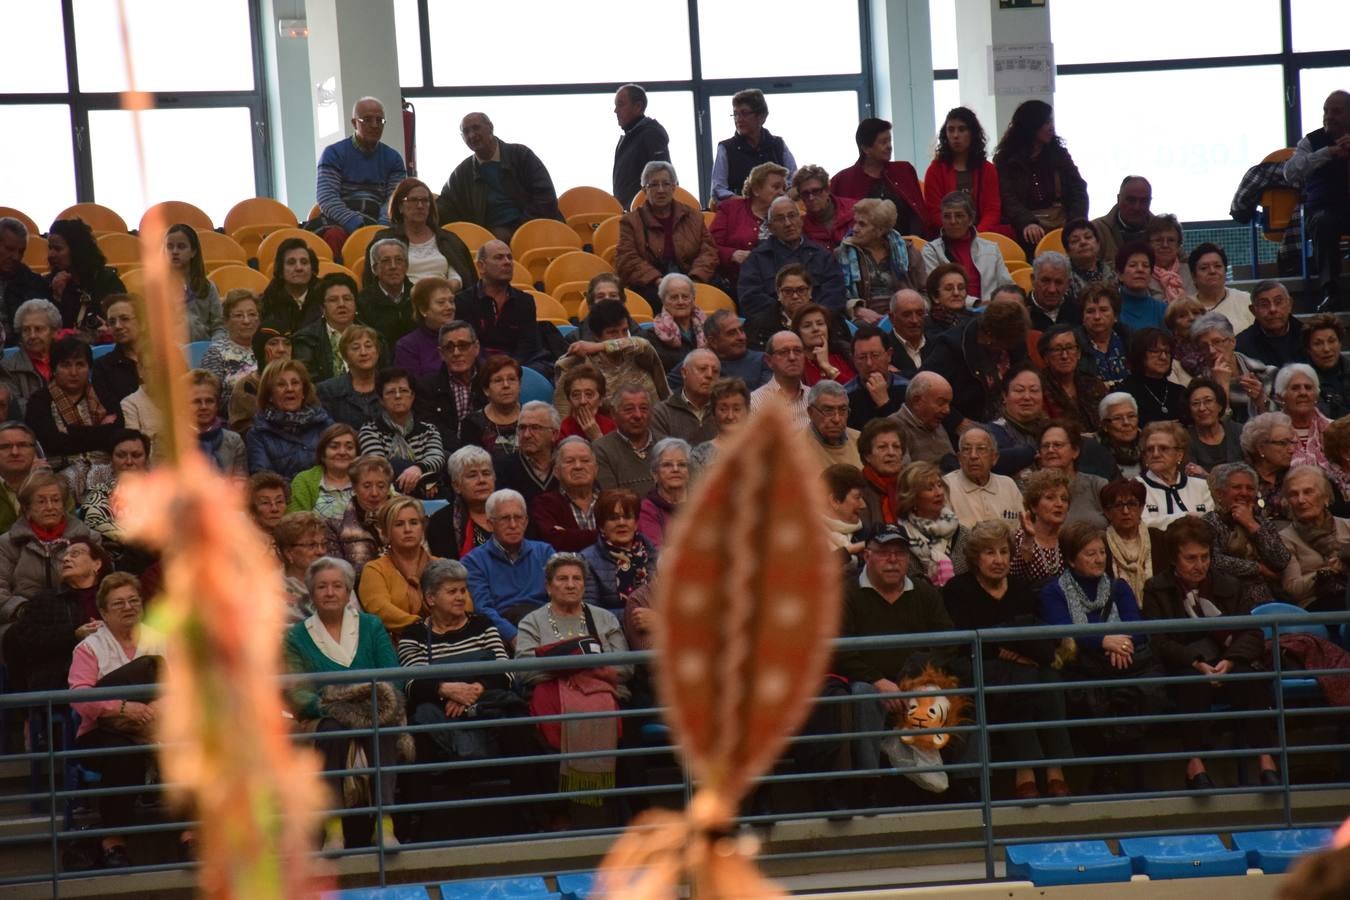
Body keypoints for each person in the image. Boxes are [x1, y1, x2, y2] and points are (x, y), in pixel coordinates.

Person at [1144, 516, 1279, 789]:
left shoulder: (1229, 584)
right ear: (1174, 559)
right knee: (1190, 684)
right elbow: (1158, 641)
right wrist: (1196, 663)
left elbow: (1251, 633)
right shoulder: (1156, 589)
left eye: (1205, 557)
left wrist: (1230, 660)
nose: (1200, 565)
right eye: (1191, 558)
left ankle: (1266, 761)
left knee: (1251, 678)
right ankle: (1195, 765)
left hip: (1228, 659)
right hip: (1187, 663)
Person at [943, 520, 1072, 800]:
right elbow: (964, 642)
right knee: (1018, 680)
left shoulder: (1019, 586)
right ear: (975, 557)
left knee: (1050, 680)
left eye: (1003, 552)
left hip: (1027, 663)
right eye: (990, 553)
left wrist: (1004, 644)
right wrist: (1003, 649)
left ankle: (1055, 769)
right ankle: (1024, 769)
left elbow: (1030, 633)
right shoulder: (958, 589)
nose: (999, 560)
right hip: (980, 667)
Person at [282, 555, 403, 852]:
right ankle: (334, 831)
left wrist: (371, 705)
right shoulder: (295, 636)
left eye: (338, 586)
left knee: (384, 729)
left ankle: (384, 826)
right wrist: (332, 707)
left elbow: (393, 676)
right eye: (322, 587)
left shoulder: (372, 626)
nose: (330, 592)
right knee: (332, 731)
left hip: (374, 708)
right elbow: (297, 692)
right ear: (311, 593)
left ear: (349, 592)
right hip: (324, 714)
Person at [1039, 521, 1161, 792]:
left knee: (1133, 692)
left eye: (1102, 553)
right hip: (1082, 668)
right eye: (1090, 554)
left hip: (1124, 665)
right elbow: (1063, 631)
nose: (1099, 559)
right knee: (1099, 695)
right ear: (1071, 559)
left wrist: (1121, 645)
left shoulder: (1118, 587)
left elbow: (1136, 628)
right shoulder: (1053, 591)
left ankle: (1121, 771)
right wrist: (1105, 640)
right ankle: (1108, 770)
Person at [834, 524, 955, 784]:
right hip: (868, 680)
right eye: (884, 552)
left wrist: (917, 679)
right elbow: (839, 650)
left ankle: (960, 778)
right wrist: (878, 681)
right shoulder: (846, 594)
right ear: (867, 555)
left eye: (899, 553)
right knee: (863, 695)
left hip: (916, 679)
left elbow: (949, 641)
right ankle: (869, 781)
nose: (892, 560)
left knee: (944, 689)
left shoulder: (924, 592)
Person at [514, 552, 631, 810]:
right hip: (552, 702)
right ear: (548, 586)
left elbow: (625, 667)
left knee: (631, 727)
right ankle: (560, 813)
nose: (570, 584)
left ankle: (620, 812)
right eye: (562, 578)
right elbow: (524, 669)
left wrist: (571, 668)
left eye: (577, 578)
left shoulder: (604, 619)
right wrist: (578, 667)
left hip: (605, 698)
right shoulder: (531, 622)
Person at [67, 573, 168, 868]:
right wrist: (123, 708)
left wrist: (161, 706)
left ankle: (190, 836)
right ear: (104, 612)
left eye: (134, 600)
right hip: (103, 729)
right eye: (119, 603)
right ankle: (114, 843)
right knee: (123, 757)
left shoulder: (160, 640)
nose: (128, 607)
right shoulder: (89, 648)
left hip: (159, 725)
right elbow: (80, 697)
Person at [0, 471, 100, 653]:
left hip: (77, 616)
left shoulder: (89, 539)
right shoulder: (7, 543)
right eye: (41, 501)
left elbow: (103, 582)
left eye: (55, 500)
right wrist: (24, 610)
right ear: (27, 508)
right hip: (24, 622)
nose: (50, 506)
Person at [1, 535, 111, 694]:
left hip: (110, 669)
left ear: (97, 563)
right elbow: (25, 640)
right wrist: (74, 634)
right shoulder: (45, 600)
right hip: (62, 680)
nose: (66, 559)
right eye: (65, 556)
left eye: (75, 554)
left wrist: (110, 628)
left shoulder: (115, 596)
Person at [436, 112, 561, 240]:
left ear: (490, 127)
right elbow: (446, 206)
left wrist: (521, 229)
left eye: (476, 128)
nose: (472, 135)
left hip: (535, 228)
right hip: (490, 236)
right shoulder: (461, 173)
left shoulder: (521, 155)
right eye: (466, 132)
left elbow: (546, 197)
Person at [24, 335, 123, 493]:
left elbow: (116, 436)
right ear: (54, 369)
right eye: (66, 365)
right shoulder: (39, 401)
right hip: (60, 473)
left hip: (107, 470)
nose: (74, 372)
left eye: (80, 365)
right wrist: (100, 432)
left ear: (89, 368)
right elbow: (53, 443)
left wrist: (70, 431)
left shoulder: (103, 395)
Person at [992, 100, 1088, 254]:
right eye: (1046, 122)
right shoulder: (1006, 160)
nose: (1051, 127)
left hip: (1062, 221)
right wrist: (1027, 222)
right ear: (1031, 126)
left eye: (1051, 121)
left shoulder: (1059, 155)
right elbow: (1008, 198)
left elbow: (1079, 189)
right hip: (1026, 228)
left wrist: (1075, 223)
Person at [1284, 90, 1350, 310]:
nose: (1329, 116)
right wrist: (1327, 153)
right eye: (1326, 110)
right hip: (1323, 210)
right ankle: (1330, 292)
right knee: (1323, 222)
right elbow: (1290, 172)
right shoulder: (1311, 141)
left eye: (1336, 111)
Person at [617, 162, 718, 303]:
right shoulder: (630, 221)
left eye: (666, 184)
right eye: (654, 185)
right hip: (651, 284)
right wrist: (657, 280)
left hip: (693, 279)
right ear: (644, 190)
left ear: (674, 187)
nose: (661, 190)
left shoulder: (694, 216)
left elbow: (708, 252)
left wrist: (695, 279)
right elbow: (627, 259)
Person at [922, 297, 1029, 429]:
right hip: (966, 422)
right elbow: (927, 390)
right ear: (990, 336)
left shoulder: (1015, 338)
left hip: (1011, 420)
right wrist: (957, 422)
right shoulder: (952, 346)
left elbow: (1025, 373)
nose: (1008, 348)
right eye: (1004, 343)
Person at [459, 488, 551, 641]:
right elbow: (483, 609)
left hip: (547, 624)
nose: (513, 525)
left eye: (518, 517)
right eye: (505, 518)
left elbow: (559, 596)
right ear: (490, 524)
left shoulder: (545, 552)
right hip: (503, 631)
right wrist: (513, 636)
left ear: (526, 521)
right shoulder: (473, 561)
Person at [556, 302, 670, 421]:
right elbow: (563, 414)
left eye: (625, 331)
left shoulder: (636, 351)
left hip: (659, 425)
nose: (621, 337)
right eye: (613, 332)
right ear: (596, 335)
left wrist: (598, 347)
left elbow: (643, 344)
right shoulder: (582, 364)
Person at [736, 196, 847, 317]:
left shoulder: (823, 256)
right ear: (770, 228)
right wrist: (786, 315)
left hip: (818, 324)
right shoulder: (756, 259)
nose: (788, 223)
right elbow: (750, 298)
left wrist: (809, 317)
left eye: (792, 216)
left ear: (801, 220)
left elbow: (835, 294)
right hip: (774, 327)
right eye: (780, 219)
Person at [315, 96, 406, 241]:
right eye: (367, 120)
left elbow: (393, 200)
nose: (375, 125)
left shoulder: (394, 159)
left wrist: (380, 228)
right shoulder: (333, 154)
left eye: (380, 120)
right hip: (341, 221)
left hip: (379, 220)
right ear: (354, 123)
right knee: (334, 236)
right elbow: (327, 198)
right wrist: (356, 224)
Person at [1202, 461, 1290, 607]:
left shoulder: (1261, 522)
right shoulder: (1209, 522)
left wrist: (1252, 525)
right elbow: (1214, 561)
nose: (1244, 492)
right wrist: (1258, 568)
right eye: (1237, 487)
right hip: (1229, 599)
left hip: (1270, 597)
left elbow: (1281, 560)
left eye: (1250, 488)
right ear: (1219, 493)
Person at [830, 117, 932, 237]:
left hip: (908, 244)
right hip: (862, 248)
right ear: (866, 149)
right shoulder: (842, 180)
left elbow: (919, 216)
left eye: (890, 141)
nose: (889, 146)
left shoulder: (905, 171)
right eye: (883, 142)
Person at [373, 177, 474, 290]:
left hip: (445, 299)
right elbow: (376, 283)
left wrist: (452, 284)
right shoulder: (385, 240)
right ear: (400, 206)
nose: (420, 206)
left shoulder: (447, 239)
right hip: (401, 303)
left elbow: (459, 273)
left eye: (425, 200)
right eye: (413, 200)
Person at [358, 367, 446, 497]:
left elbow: (437, 457)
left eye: (404, 391)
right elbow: (377, 466)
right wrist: (425, 479)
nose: (398, 396)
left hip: (427, 497)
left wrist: (418, 469)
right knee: (396, 464)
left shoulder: (428, 430)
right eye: (391, 392)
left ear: (412, 396)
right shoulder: (370, 431)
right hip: (386, 495)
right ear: (381, 400)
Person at [837, 199, 927, 324]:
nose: (854, 229)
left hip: (906, 316)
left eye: (862, 224)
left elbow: (925, 292)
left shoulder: (908, 252)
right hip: (865, 319)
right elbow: (836, 294)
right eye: (855, 222)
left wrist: (911, 310)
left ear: (879, 230)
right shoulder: (842, 254)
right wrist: (857, 309)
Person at [453, 241, 543, 364]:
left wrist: (511, 367)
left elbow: (528, 346)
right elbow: (466, 344)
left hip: (517, 367)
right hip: (477, 367)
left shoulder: (525, 301)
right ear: (481, 266)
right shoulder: (462, 301)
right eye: (498, 257)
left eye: (509, 257)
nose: (507, 262)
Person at [358, 496, 436, 635]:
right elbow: (380, 610)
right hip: (396, 644)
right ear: (386, 531)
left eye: (414, 522)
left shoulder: (441, 565)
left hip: (447, 640)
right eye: (399, 524)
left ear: (423, 527)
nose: (407, 529)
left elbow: (464, 603)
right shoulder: (374, 569)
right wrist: (424, 626)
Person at [245, 359, 333, 480]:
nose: (290, 389)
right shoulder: (258, 435)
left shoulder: (324, 424)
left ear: (303, 392)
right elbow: (264, 479)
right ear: (270, 395)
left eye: (295, 383)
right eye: (281, 384)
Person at [80, 429, 153, 571]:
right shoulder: (100, 493)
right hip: (118, 566)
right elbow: (94, 521)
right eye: (121, 455)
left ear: (146, 459)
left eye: (136, 455)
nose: (129, 461)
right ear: (111, 460)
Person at [919, 193, 1012, 304]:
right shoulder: (931, 251)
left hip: (992, 311)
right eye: (947, 216)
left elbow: (1007, 285)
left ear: (970, 219)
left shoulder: (991, 248)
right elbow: (935, 290)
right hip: (953, 312)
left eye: (959, 216)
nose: (953, 221)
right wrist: (977, 304)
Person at [923, 106, 1004, 233]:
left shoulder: (987, 169)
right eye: (951, 130)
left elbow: (992, 210)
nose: (955, 135)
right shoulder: (935, 170)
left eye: (961, 129)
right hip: (946, 235)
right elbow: (934, 211)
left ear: (972, 133)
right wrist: (957, 232)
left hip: (981, 235)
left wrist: (977, 235)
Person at [1279, 465, 1350, 610]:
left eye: (1308, 492)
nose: (1301, 500)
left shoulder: (1347, 527)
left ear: (1325, 497)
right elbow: (1292, 590)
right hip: (1316, 606)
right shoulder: (1285, 538)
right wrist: (1325, 572)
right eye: (1293, 494)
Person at [744, 261, 850, 353]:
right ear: (778, 293)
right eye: (788, 291)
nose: (795, 296)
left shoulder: (833, 320)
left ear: (810, 291)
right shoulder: (758, 325)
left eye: (801, 290)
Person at [710, 88, 796, 200]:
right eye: (735, 114)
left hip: (777, 210)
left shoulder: (778, 145)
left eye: (744, 113)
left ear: (762, 116)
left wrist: (779, 197)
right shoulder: (726, 148)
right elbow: (718, 190)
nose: (738, 119)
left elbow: (794, 181)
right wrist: (746, 203)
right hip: (741, 210)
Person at [43, 218, 124, 335]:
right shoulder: (48, 283)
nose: (50, 255)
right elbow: (47, 331)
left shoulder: (106, 281)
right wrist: (57, 297)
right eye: (50, 248)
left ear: (77, 250)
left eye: (58, 249)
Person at [416, 319, 485, 451]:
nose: (456, 353)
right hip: (445, 454)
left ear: (476, 348)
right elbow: (430, 430)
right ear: (441, 353)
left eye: (463, 345)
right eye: (449, 347)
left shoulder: (491, 381)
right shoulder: (426, 388)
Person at [1190, 312, 1271, 424]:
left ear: (1232, 341)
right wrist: (1222, 387)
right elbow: (1215, 427)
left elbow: (1280, 421)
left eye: (1217, 342)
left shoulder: (1264, 372)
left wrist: (1261, 399)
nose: (1211, 351)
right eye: (1204, 346)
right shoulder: (1199, 385)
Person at [896, 462, 964, 587]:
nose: (939, 493)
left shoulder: (963, 534)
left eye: (939, 485)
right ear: (912, 497)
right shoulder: (899, 537)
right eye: (929, 488)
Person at [1137, 420, 1214, 527]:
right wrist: (1184, 517)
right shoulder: (1135, 486)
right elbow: (1141, 524)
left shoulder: (1200, 486)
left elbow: (1211, 524)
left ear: (1179, 455)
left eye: (1163, 448)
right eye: (1150, 449)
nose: (1155, 454)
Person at [1100, 478, 1165, 605]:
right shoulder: (1101, 543)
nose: (1126, 511)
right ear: (1107, 512)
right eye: (1118, 505)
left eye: (1132, 504)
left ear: (1141, 508)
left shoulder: (1159, 539)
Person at [531, 436, 602, 552]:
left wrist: (567, 535)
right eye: (569, 461)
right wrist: (604, 535)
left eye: (585, 460)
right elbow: (555, 543)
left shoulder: (612, 502)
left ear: (596, 469)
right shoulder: (544, 504)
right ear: (556, 471)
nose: (578, 466)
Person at [944, 426, 1023, 529]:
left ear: (994, 458)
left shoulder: (1008, 485)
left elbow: (1022, 529)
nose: (973, 456)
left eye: (981, 449)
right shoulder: (946, 486)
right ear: (959, 458)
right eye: (966, 449)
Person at [327, 454, 392, 579]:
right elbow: (337, 574)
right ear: (354, 488)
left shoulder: (404, 515)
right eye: (367, 486)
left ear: (389, 487)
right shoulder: (335, 523)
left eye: (381, 486)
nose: (374, 493)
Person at [427, 445, 496, 559]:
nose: (481, 480)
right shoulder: (442, 521)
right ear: (456, 485)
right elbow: (446, 569)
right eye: (472, 475)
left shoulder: (511, 511)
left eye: (486, 473)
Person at [291, 273, 361, 384]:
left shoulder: (374, 337)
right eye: (333, 300)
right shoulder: (306, 339)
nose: (341, 304)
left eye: (347, 298)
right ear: (322, 307)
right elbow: (308, 383)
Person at [1038, 420, 1108, 527]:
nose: (1050, 450)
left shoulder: (1097, 485)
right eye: (1045, 446)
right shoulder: (1033, 490)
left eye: (1057, 445)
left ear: (1075, 451)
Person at [200, 289, 263, 408]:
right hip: (235, 418)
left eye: (252, 314)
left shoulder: (270, 347)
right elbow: (212, 397)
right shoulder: (215, 353)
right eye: (239, 315)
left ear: (259, 319)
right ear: (226, 322)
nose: (246, 321)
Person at [612, 83, 671, 209]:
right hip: (629, 214)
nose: (616, 111)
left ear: (638, 106)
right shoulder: (627, 138)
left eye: (621, 104)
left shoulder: (651, 134)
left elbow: (663, 176)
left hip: (647, 216)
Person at [593, 384, 658, 496]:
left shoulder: (665, 446)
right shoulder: (601, 450)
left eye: (643, 408)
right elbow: (612, 500)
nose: (638, 415)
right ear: (613, 414)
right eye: (629, 410)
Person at [1039, 324, 1106, 433]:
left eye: (1070, 348)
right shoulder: (1038, 387)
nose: (1065, 356)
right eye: (1057, 349)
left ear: (1078, 353)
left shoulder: (1093, 384)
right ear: (1046, 357)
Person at [163, 224, 225, 341]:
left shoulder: (208, 287)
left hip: (204, 350)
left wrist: (215, 348)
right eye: (170, 247)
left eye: (181, 247)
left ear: (193, 252)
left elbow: (219, 326)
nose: (175, 251)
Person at [285, 422, 358, 520]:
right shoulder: (304, 481)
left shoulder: (370, 477)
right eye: (334, 447)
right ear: (323, 454)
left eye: (349, 447)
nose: (342, 452)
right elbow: (295, 524)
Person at [1011, 468, 1071, 587]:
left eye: (1064, 499)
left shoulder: (1070, 538)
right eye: (1050, 498)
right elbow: (1014, 579)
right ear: (1033, 506)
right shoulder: (1017, 538)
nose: (1059, 504)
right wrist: (1028, 540)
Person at [459, 354, 524, 460]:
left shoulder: (533, 418)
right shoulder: (471, 424)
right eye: (498, 380)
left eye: (512, 379)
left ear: (520, 385)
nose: (506, 385)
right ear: (486, 390)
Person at [317, 324, 383, 429]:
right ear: (345, 356)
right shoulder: (328, 390)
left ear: (377, 352)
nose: (363, 352)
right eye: (356, 348)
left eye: (368, 346)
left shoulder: (390, 386)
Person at [494, 400, 559, 506]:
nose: (526, 435)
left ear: (554, 434)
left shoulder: (567, 464)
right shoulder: (502, 467)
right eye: (522, 428)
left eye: (535, 428)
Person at [394, 276, 460, 381]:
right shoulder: (407, 346)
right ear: (423, 309)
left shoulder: (465, 334)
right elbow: (410, 387)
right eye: (441, 302)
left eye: (451, 301)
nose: (450, 307)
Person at [230, 327, 293, 434]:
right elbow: (249, 430)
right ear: (260, 350)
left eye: (287, 343)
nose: (282, 349)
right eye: (273, 344)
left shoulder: (302, 384)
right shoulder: (247, 387)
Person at [1117, 328, 1186, 426]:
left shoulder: (1180, 392)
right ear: (1139, 354)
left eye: (1167, 352)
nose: (1163, 357)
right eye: (1155, 351)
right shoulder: (1125, 395)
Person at [274, 511, 333, 622]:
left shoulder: (339, 578)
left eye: (323, 544)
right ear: (288, 552)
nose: (321, 551)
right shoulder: (270, 590)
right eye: (311, 545)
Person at [651, 349, 718, 445]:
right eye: (702, 369)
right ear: (684, 372)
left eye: (715, 371)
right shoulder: (661, 413)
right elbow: (663, 455)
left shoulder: (725, 411)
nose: (709, 375)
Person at [1086, 175, 1155, 268]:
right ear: (1118, 199)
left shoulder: (1163, 231)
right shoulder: (1095, 231)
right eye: (1131, 200)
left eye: (1144, 201)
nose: (1137, 207)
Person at [358, 238, 416, 346]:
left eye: (399, 260)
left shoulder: (418, 295)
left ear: (406, 266)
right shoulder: (362, 301)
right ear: (375, 269)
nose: (393, 266)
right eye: (386, 261)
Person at [848, 324, 906, 428]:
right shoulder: (845, 395)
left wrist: (884, 402)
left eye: (875, 355)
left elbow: (908, 438)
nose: (869, 363)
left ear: (888, 355)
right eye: (862, 357)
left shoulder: (907, 389)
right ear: (853, 360)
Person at [259, 237, 321, 335]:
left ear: (312, 269)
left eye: (304, 262)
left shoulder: (326, 297)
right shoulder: (266, 303)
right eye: (291, 263)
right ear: (280, 271)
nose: (299, 268)